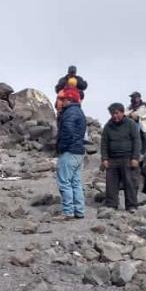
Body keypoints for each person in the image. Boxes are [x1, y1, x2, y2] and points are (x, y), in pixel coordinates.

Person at [100, 103, 141, 212]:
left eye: (117, 113)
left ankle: (131, 205)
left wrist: (135, 158)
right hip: (112, 159)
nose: (114, 116)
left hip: (128, 158)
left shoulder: (131, 124)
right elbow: (104, 143)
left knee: (130, 183)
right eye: (112, 114)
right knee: (111, 184)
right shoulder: (108, 126)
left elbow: (137, 141)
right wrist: (104, 159)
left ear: (122, 112)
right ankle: (111, 205)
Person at [55, 88, 87, 219]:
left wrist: (62, 146)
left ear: (69, 100)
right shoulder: (79, 111)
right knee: (76, 182)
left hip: (69, 151)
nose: (61, 102)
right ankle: (79, 210)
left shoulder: (69, 113)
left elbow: (67, 131)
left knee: (64, 181)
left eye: (63, 100)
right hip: (79, 151)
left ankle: (68, 211)